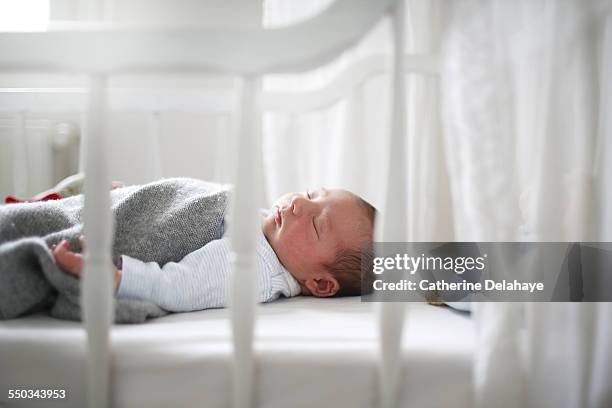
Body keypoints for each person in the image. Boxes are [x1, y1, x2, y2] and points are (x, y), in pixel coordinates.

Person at [52, 188, 376, 312]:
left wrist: (118, 278)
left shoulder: (257, 266)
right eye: (312, 193)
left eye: (317, 224)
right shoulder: (269, 231)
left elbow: (177, 287)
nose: (299, 204)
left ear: (320, 284)